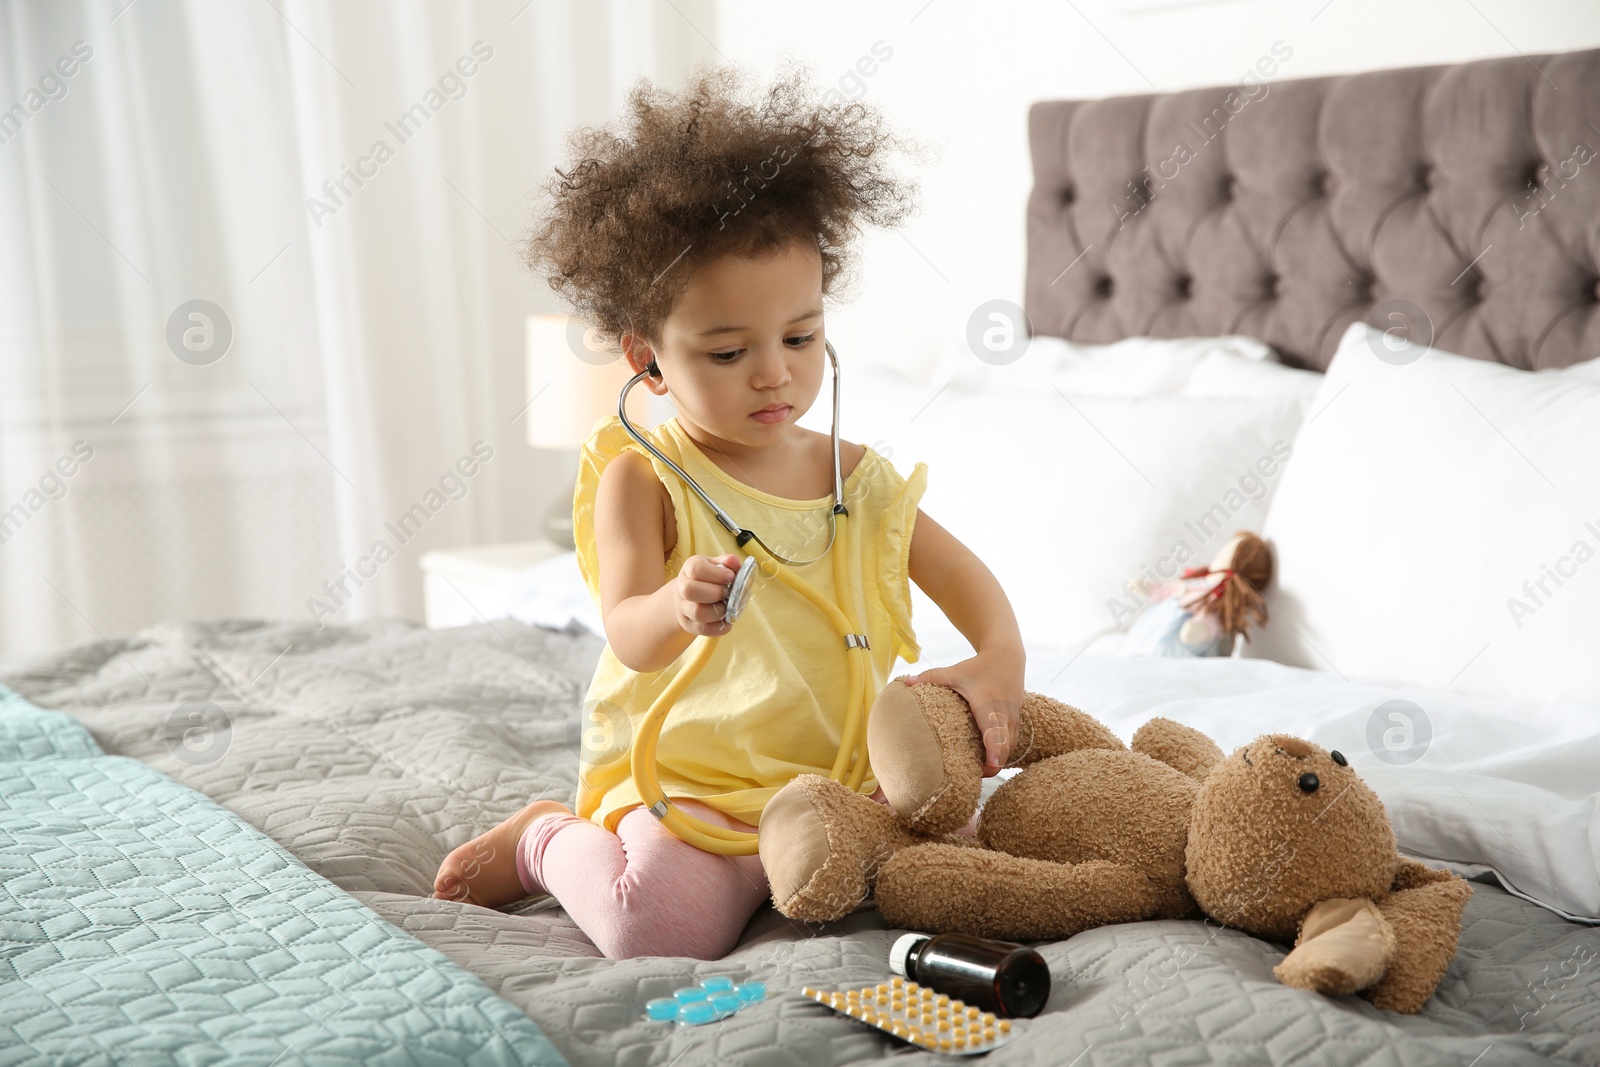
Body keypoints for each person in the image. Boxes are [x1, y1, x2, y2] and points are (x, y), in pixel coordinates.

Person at [432, 63, 1025, 960]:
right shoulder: (646, 478)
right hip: (695, 789)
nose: (773, 373)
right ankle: (544, 841)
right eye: (726, 350)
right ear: (649, 359)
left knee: (978, 874)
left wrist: (1000, 660)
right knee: (653, 929)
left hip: (839, 789)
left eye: (800, 337)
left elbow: (966, 580)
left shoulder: (856, 482)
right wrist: (674, 605)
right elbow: (628, 629)